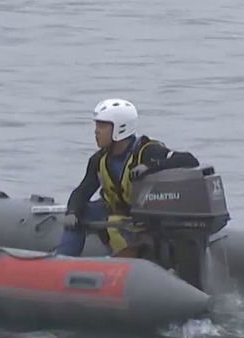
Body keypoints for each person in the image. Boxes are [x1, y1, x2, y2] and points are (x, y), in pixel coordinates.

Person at [54, 98, 200, 256]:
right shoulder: (98, 160)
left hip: (143, 218)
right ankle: (64, 257)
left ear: (120, 129)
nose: (96, 131)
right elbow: (82, 191)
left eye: (102, 126)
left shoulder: (148, 151)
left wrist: (150, 166)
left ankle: (132, 261)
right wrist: (72, 211)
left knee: (114, 224)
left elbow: (190, 160)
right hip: (116, 211)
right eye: (96, 125)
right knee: (82, 211)